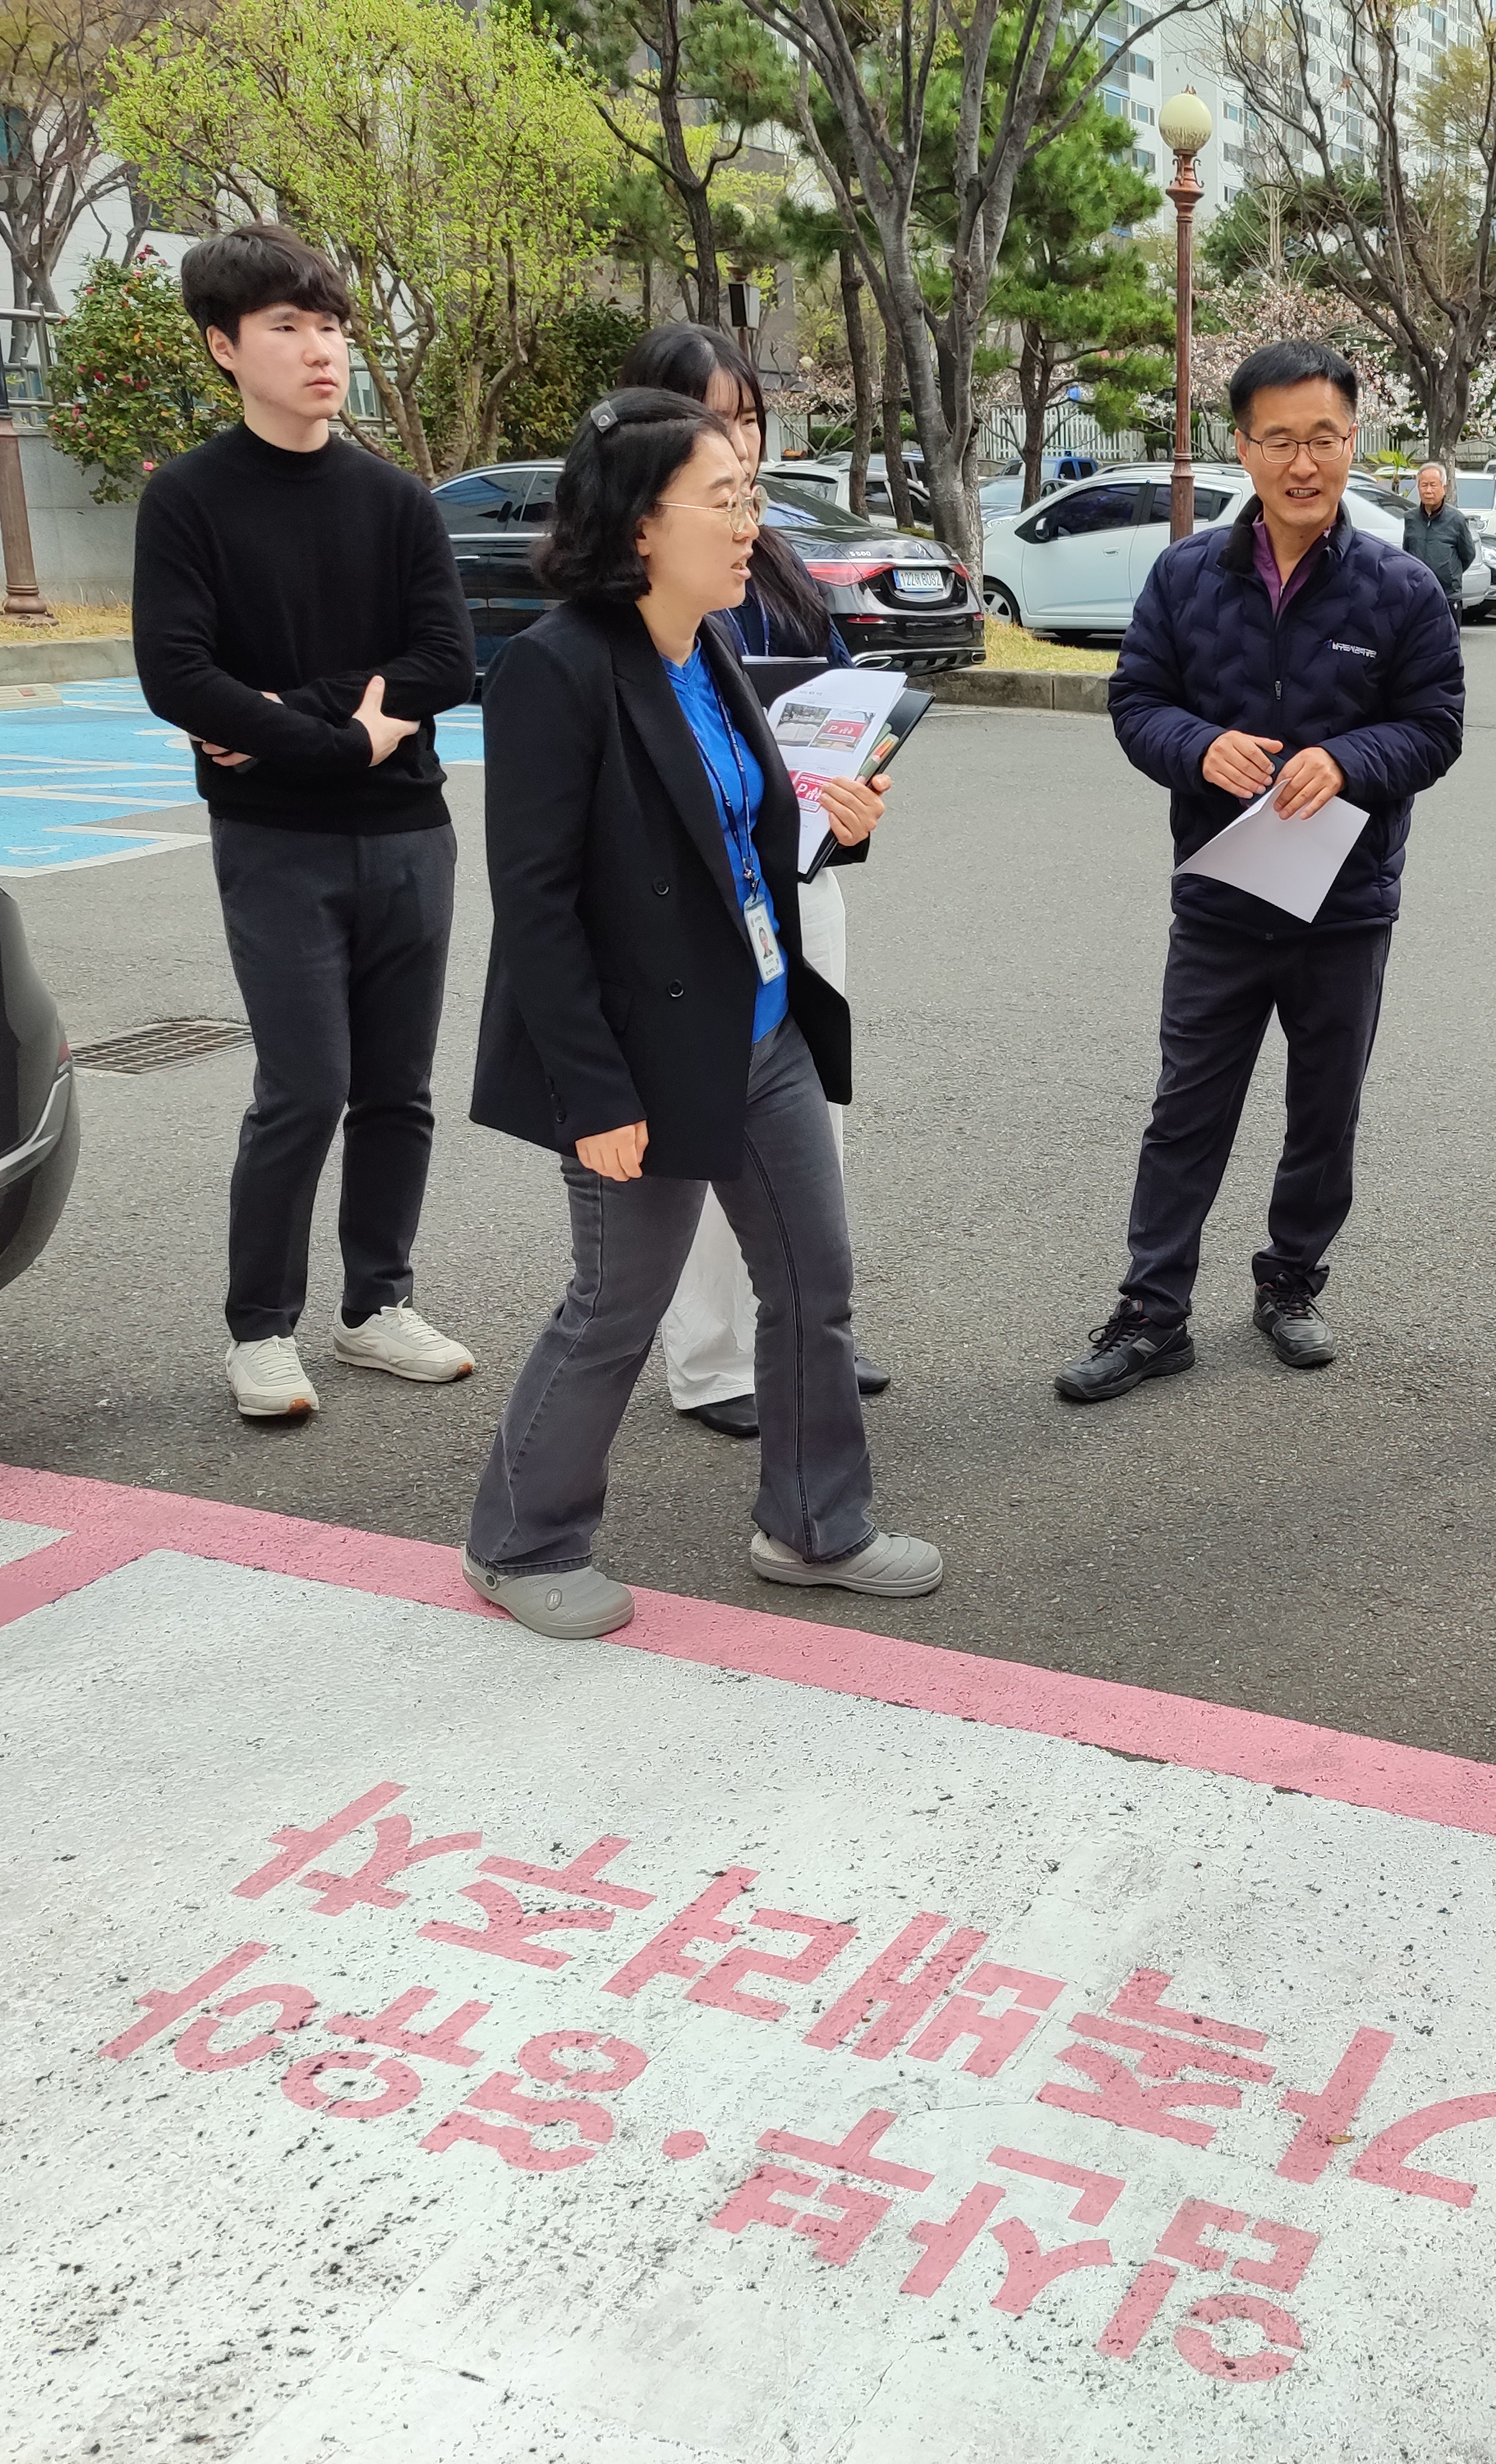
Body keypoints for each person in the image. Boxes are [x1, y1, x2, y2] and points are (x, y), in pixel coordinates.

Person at [460, 388, 941, 1639]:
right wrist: (593, 1096)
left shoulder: (709, 645)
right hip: (640, 1056)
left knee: (812, 1283)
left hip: (761, 1024)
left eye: (751, 497)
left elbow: (741, 836)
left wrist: (830, 830)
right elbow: (539, 910)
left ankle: (813, 1527)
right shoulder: (555, 673)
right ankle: (520, 1541)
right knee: (616, 1307)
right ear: (637, 528)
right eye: (723, 502)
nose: (750, 527)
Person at [1061, 340, 1466, 1400]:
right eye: (1279, 439)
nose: (1303, 462)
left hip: (1346, 904)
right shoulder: (1185, 575)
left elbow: (1435, 726)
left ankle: (1291, 1281)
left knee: (1323, 1109)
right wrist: (1198, 746)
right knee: (1187, 1105)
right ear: (1240, 445)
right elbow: (1136, 703)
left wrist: (1347, 761)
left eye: (1324, 438)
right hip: (1222, 895)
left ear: (1353, 442)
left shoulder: (1402, 586)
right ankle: (1153, 1309)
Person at [134, 222, 478, 1423]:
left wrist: (298, 712)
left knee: (399, 1084)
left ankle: (377, 1305)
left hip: (407, 832)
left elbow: (447, 657)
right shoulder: (187, 500)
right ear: (225, 346)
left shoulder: (394, 500)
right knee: (304, 1085)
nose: (321, 348)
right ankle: (260, 1328)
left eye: (330, 324)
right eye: (288, 326)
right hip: (274, 838)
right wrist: (344, 733)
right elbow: (178, 679)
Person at [613, 323, 891, 1437]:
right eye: (712, 419)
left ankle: (800, 1327)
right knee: (702, 1133)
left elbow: (831, 710)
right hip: (693, 907)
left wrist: (856, 803)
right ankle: (714, 1362)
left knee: (801, 1123)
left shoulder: (770, 559)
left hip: (796, 878)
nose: (742, 442)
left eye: (749, 417)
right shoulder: (628, 585)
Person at [1403, 462, 1475, 609]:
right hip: (1417, 595)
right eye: (1424, 485)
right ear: (1418, 488)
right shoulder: (1411, 518)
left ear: (1444, 488)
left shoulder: (1456, 519)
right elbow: (1407, 554)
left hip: (1447, 596)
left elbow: (1468, 555)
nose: (1428, 490)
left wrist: (1450, 575)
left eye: (1433, 485)